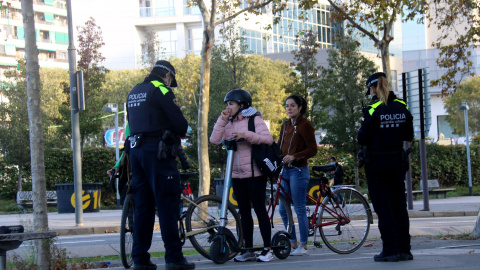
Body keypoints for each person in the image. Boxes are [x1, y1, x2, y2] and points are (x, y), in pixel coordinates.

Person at [126, 60, 195, 270]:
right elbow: (179, 122)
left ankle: (140, 259)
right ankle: (174, 258)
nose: (170, 82)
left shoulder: (134, 91)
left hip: (136, 153)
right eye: (171, 79)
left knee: (143, 208)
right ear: (167, 75)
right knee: (167, 205)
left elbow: (130, 124)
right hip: (158, 152)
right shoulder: (161, 89)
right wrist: (183, 130)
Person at [209, 89, 274, 262]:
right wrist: (222, 119)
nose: (228, 107)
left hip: (255, 173)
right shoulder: (227, 123)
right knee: (244, 213)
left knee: (260, 210)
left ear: (242, 105)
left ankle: (268, 249)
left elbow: (268, 139)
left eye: (231, 104)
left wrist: (246, 136)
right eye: (227, 104)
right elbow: (214, 140)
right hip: (237, 175)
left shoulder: (254, 120)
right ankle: (248, 249)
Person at [358, 72, 414, 262]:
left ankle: (390, 250)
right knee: (399, 206)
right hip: (397, 163)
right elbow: (409, 134)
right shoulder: (402, 106)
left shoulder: (373, 109)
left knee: (384, 208)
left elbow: (362, 138)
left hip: (377, 165)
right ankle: (405, 249)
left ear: (372, 89)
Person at [277, 95, 317, 256]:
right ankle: (292, 242)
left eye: (292, 105)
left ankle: (303, 245)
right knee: (282, 208)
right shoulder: (285, 125)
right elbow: (280, 147)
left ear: (300, 107)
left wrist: (295, 156)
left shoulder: (305, 125)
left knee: (299, 208)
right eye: (287, 105)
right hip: (284, 170)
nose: (289, 108)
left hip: (298, 171)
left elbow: (313, 149)